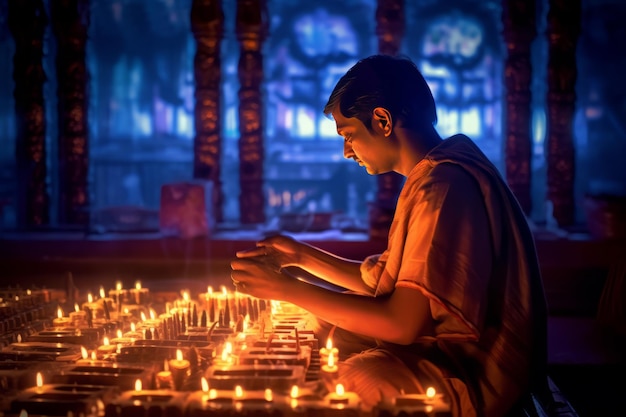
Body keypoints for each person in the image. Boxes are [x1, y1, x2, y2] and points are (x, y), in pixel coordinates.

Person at [230, 54, 548, 417]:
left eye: (349, 135)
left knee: (350, 380)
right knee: (322, 327)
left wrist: (286, 289)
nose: (346, 151)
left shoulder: (443, 185)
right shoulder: (435, 173)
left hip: (478, 375)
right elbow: (387, 281)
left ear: (382, 120)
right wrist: (300, 257)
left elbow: (402, 322)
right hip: (451, 357)